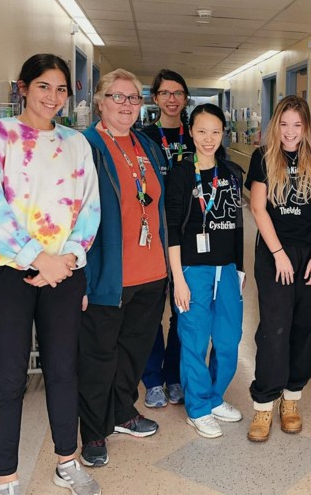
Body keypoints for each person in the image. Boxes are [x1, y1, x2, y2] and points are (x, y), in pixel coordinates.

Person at [0, 54, 101, 495]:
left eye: (61, 89)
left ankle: (67, 462)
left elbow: (89, 208)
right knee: (9, 376)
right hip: (4, 273)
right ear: (23, 87)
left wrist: (69, 259)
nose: (53, 97)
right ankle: (7, 479)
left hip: (64, 271)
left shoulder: (77, 143)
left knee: (63, 369)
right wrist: (34, 257)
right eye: (44, 86)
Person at [77, 69, 169, 469]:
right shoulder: (86, 146)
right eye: (118, 97)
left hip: (152, 272)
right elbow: (71, 214)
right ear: (100, 101)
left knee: (133, 352)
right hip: (107, 275)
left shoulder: (147, 144)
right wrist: (79, 277)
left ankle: (123, 412)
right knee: (99, 356)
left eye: (134, 98)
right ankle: (94, 430)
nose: (127, 105)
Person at [245, 95, 311, 442]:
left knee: (306, 327)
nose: (290, 132)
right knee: (274, 329)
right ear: (275, 124)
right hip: (274, 254)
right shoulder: (263, 158)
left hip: (310, 254)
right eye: (284, 124)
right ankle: (264, 403)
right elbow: (258, 208)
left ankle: (291, 399)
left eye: (297, 125)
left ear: (307, 126)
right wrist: (279, 253)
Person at [166, 104, 246, 439]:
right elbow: (171, 230)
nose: (208, 138)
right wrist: (178, 280)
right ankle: (197, 408)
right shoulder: (181, 174)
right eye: (201, 131)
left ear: (223, 133)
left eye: (215, 131)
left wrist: (239, 273)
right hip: (193, 271)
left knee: (229, 341)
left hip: (226, 270)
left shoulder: (231, 173)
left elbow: (239, 227)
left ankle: (214, 398)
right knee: (195, 342)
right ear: (191, 133)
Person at [140, 69, 193, 408]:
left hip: (188, 235)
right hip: (152, 235)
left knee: (181, 309)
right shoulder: (143, 137)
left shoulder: (197, 135)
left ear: (185, 98)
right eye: (165, 93)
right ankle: (152, 379)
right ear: (155, 98)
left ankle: (174, 374)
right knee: (149, 310)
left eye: (178, 93)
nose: (172, 99)